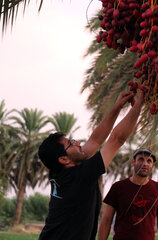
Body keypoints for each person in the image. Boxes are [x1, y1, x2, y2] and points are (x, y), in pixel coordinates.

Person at [37, 90, 144, 240]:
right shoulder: (80, 176)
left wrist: (117, 107)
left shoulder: (59, 172)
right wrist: (140, 103)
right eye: (71, 143)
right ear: (64, 159)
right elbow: (117, 139)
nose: (78, 143)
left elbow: (95, 140)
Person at [98, 148, 158, 240]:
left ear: (152, 165)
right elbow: (107, 220)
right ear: (133, 162)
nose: (145, 164)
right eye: (141, 159)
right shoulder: (118, 187)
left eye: (149, 161)